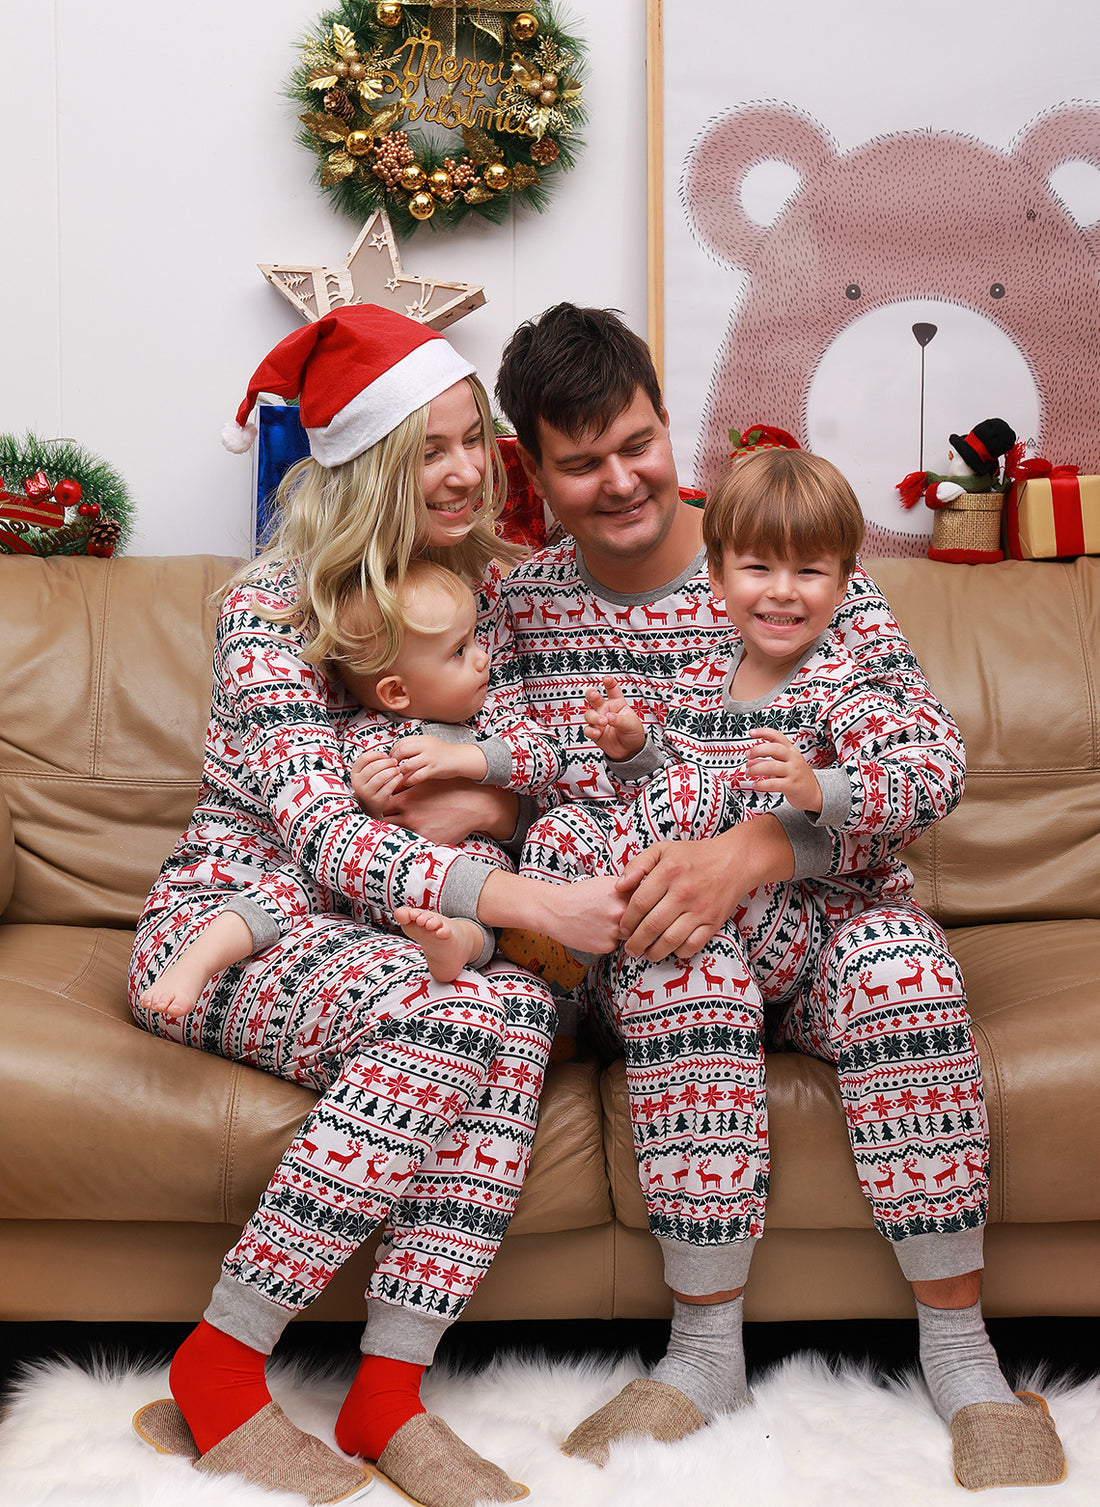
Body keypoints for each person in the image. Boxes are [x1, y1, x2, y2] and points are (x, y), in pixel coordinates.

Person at [488, 303, 1064, 1490]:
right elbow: (534, 775)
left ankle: (962, 1351)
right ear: (533, 474)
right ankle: (703, 1354)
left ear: (667, 422)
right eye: (580, 463)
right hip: (658, 928)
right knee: (671, 949)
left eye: (636, 443)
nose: (619, 480)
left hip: (827, 909)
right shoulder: (526, 609)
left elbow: (915, 767)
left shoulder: (787, 559)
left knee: (903, 969)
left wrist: (762, 845)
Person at [127, 304, 624, 1507]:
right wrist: (530, 896)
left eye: (471, 441)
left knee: (515, 1014)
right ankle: (221, 1360)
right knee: (458, 1012)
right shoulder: (269, 613)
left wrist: (480, 788)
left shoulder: (480, 594)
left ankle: (387, 1391)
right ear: (362, 463)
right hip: (236, 926)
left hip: (396, 938)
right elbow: (322, 834)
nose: (464, 472)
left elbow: (554, 757)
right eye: (427, 449)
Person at [138, 560, 566, 1009]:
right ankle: (200, 959)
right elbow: (334, 820)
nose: (483, 658)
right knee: (292, 885)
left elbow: (545, 755)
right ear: (396, 692)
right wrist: (365, 797)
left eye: (475, 639)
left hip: (461, 870)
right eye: (460, 651)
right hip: (363, 884)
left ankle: (453, 946)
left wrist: (465, 759)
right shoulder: (358, 735)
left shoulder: (488, 721)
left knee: (479, 926)